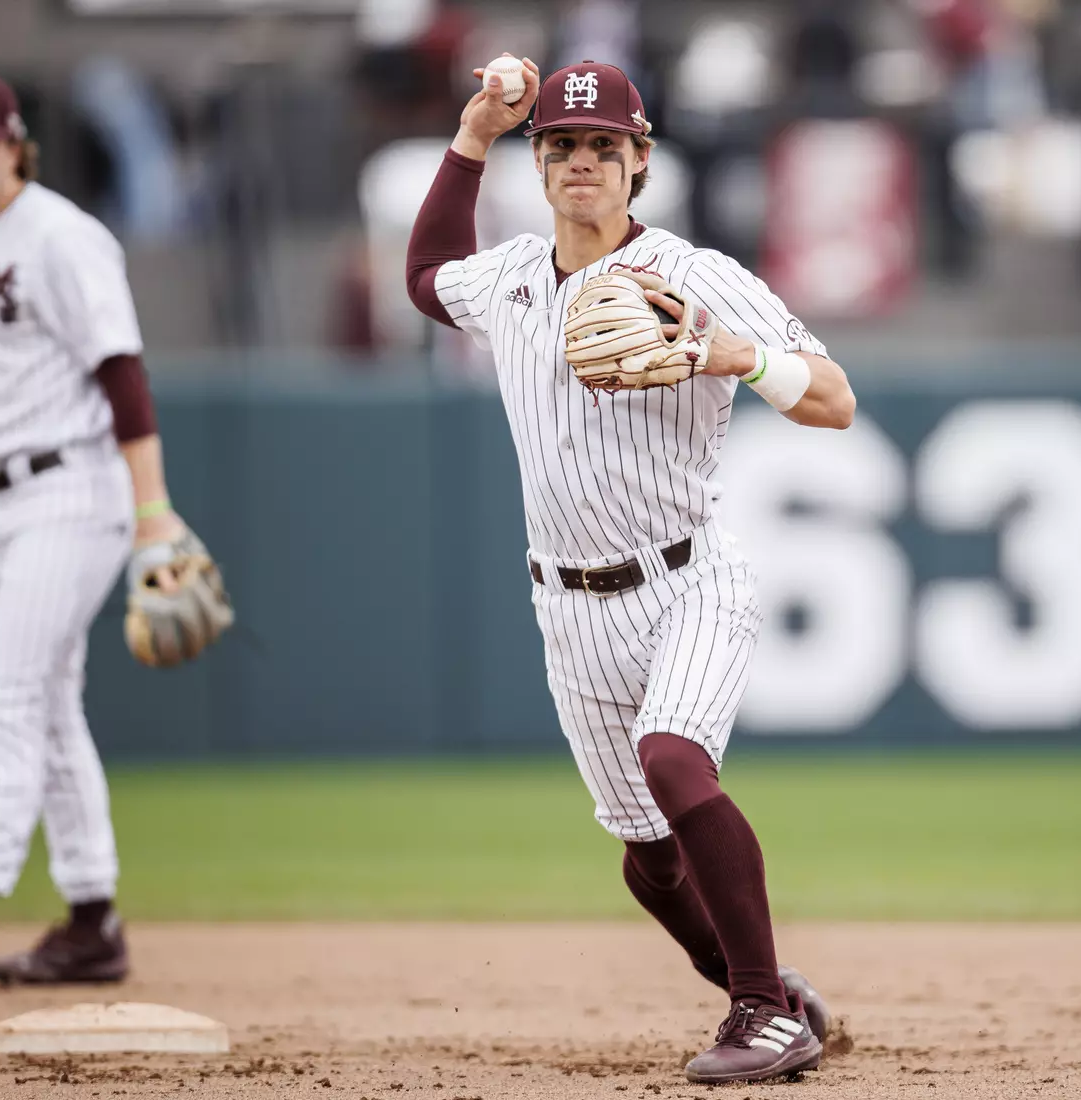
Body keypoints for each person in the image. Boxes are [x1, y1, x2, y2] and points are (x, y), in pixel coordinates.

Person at [404, 56, 856, 1084]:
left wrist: (736, 354)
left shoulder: (696, 274)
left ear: (639, 161)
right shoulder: (513, 276)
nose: (581, 163)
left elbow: (835, 399)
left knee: (672, 758)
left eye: (603, 146)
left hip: (688, 575)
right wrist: (473, 132)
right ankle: (779, 992)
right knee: (648, 861)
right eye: (560, 145)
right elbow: (426, 276)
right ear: (539, 162)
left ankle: (760, 1012)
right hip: (567, 605)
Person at [0, 72, 196, 990]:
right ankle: (92, 922)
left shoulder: (64, 237)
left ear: (15, 146)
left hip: (77, 490)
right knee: (51, 712)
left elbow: (122, 373)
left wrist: (153, 517)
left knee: (8, 701)